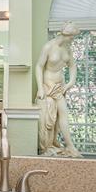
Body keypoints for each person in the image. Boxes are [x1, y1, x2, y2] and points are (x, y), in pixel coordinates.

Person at [35, 21, 82, 157]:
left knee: (63, 115)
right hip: (48, 86)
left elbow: (72, 66)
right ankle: (50, 145)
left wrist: (70, 83)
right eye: (72, 37)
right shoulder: (49, 47)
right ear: (66, 35)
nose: (72, 39)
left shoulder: (67, 48)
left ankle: (70, 146)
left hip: (60, 87)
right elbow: (39, 66)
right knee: (50, 119)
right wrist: (40, 88)